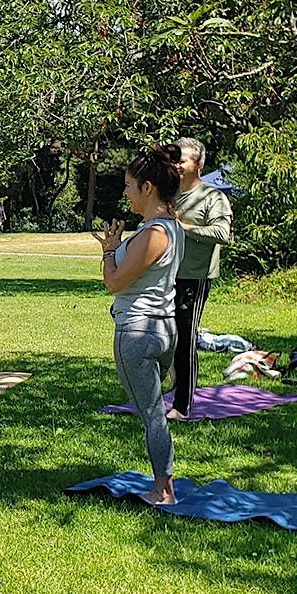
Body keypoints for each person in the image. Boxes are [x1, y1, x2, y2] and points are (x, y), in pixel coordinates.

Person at [91, 145, 185, 505]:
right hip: (162, 331)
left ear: (148, 188)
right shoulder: (170, 227)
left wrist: (106, 254)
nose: (125, 193)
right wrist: (117, 245)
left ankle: (163, 489)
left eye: (130, 186)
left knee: (152, 415)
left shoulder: (152, 234)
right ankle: (164, 482)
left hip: (137, 332)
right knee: (153, 411)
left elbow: (115, 283)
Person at [168, 136, 233, 421]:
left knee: (185, 339)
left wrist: (184, 227)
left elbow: (223, 234)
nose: (177, 165)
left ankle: (182, 407)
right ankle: (171, 379)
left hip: (194, 278)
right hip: (165, 276)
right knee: (159, 334)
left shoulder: (213, 197)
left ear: (199, 163)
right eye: (175, 160)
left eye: (182, 160)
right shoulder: (168, 194)